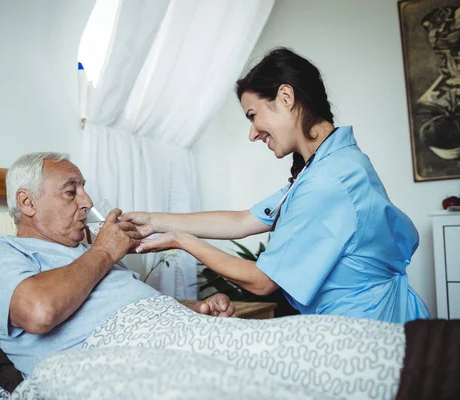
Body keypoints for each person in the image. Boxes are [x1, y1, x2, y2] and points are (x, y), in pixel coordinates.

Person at [122, 47, 431, 324]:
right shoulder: (330, 165)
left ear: (286, 97)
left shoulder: (328, 181)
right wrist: (154, 221)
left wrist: (180, 239)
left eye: (253, 116)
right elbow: (242, 220)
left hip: (367, 327)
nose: (253, 133)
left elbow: (262, 281)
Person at [0, 152, 236, 377]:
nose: (88, 201)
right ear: (27, 202)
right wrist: (104, 250)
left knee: (272, 346)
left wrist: (192, 314)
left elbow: (130, 306)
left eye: (84, 189)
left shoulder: (88, 254)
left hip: (178, 343)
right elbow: (38, 311)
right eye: (71, 192)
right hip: (118, 367)